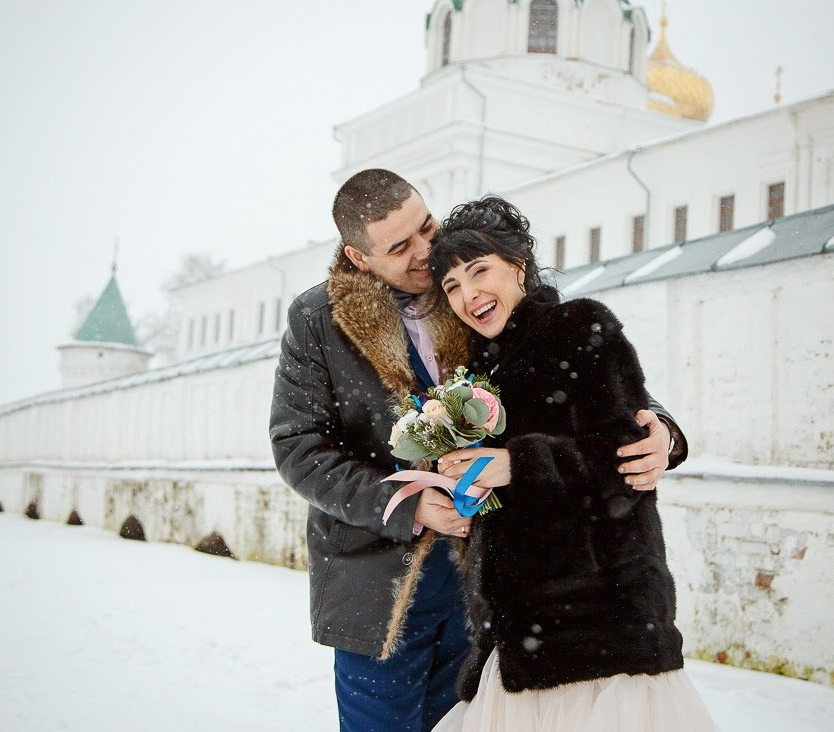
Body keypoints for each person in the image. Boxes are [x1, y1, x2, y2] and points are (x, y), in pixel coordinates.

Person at [269, 169, 688, 731]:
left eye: (426, 226)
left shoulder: (471, 283)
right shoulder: (316, 319)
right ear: (359, 256)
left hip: (488, 588)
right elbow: (298, 447)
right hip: (380, 584)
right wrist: (404, 505)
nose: (426, 251)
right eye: (401, 247)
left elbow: (582, 364)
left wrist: (662, 428)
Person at [426, 196, 717, 731]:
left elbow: (625, 465)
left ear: (517, 265)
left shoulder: (581, 329)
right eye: (451, 286)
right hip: (518, 640)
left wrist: (519, 464)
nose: (469, 295)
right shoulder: (473, 374)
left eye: (479, 271)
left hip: (600, 639)